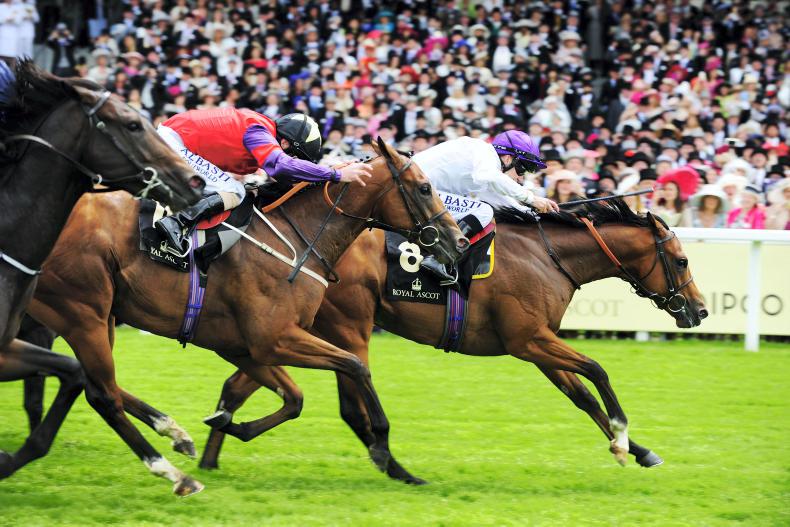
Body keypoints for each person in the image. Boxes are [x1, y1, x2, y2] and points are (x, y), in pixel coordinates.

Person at [155, 108, 372, 252]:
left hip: (176, 138)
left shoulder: (261, 130)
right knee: (235, 191)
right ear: (285, 143)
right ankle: (176, 222)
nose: (295, 161)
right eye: (297, 156)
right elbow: (282, 165)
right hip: (175, 141)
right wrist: (335, 174)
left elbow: (284, 175)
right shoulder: (259, 131)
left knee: (234, 188)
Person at [412, 130, 558, 284]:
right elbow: (490, 178)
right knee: (483, 211)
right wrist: (531, 198)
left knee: (481, 209)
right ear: (508, 158)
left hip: (423, 191)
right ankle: (439, 259)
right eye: (523, 168)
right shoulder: (484, 152)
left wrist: (529, 211)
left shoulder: (484, 164)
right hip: (418, 190)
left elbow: (494, 194)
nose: (521, 177)